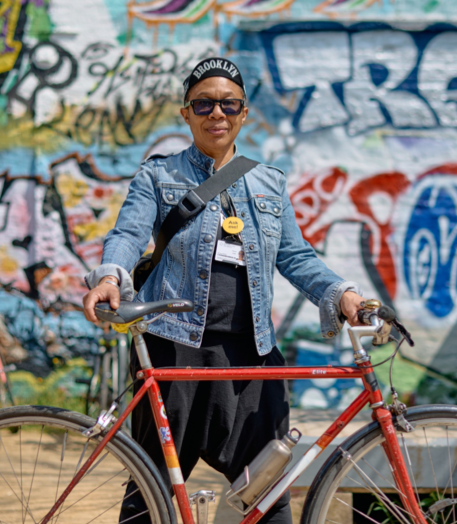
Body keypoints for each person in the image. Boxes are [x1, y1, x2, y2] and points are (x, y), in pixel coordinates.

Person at [83, 57, 373, 524]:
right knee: (150, 492)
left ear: (243, 113)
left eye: (228, 103)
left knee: (267, 491)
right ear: (186, 113)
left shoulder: (268, 182)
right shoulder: (158, 176)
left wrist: (342, 295)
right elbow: (127, 234)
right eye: (203, 104)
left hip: (253, 356)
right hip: (174, 347)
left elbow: (295, 256)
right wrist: (109, 276)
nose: (216, 113)